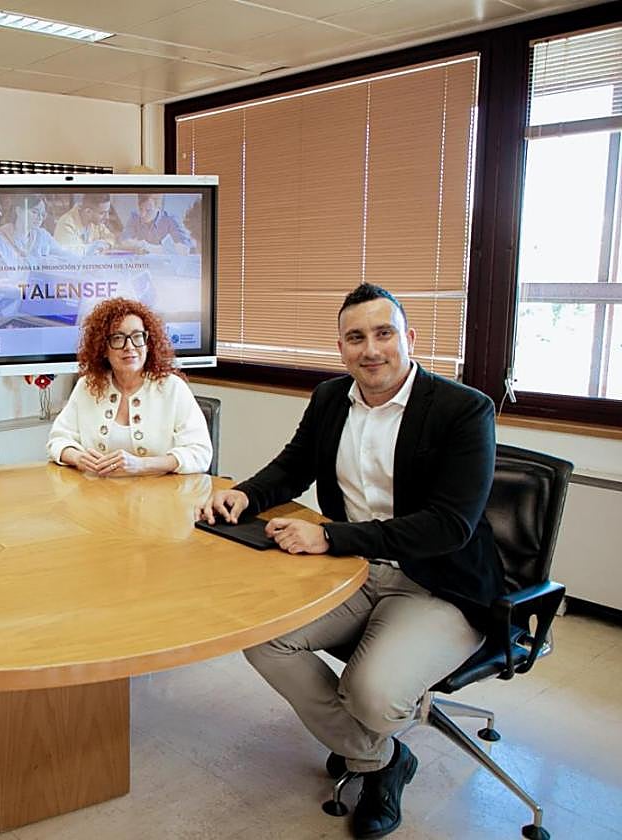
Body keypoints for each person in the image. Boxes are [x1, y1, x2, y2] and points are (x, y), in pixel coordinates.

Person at [196, 283, 500, 839]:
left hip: (438, 583)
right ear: (340, 348)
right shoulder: (332, 397)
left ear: (410, 339)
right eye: (355, 338)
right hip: (352, 574)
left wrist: (331, 536)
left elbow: (449, 525)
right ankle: (380, 759)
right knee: (263, 637)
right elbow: (293, 465)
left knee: (372, 693)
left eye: (384, 334)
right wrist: (246, 494)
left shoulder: (463, 410)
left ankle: (366, 738)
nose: (371, 349)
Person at [47, 298, 212, 476]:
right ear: (103, 348)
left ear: (148, 343)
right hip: (97, 496)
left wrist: (142, 465)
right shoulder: (87, 387)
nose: (129, 346)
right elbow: (57, 440)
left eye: (137, 336)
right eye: (118, 338)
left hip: (160, 497)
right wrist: (78, 457)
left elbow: (200, 453)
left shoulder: (173, 388)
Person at [120, 194, 195, 255]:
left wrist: (147, 247)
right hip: (143, 265)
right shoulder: (134, 217)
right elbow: (123, 241)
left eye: (148, 210)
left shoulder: (170, 220)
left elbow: (185, 249)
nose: (142, 215)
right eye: (140, 209)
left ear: (158, 208)